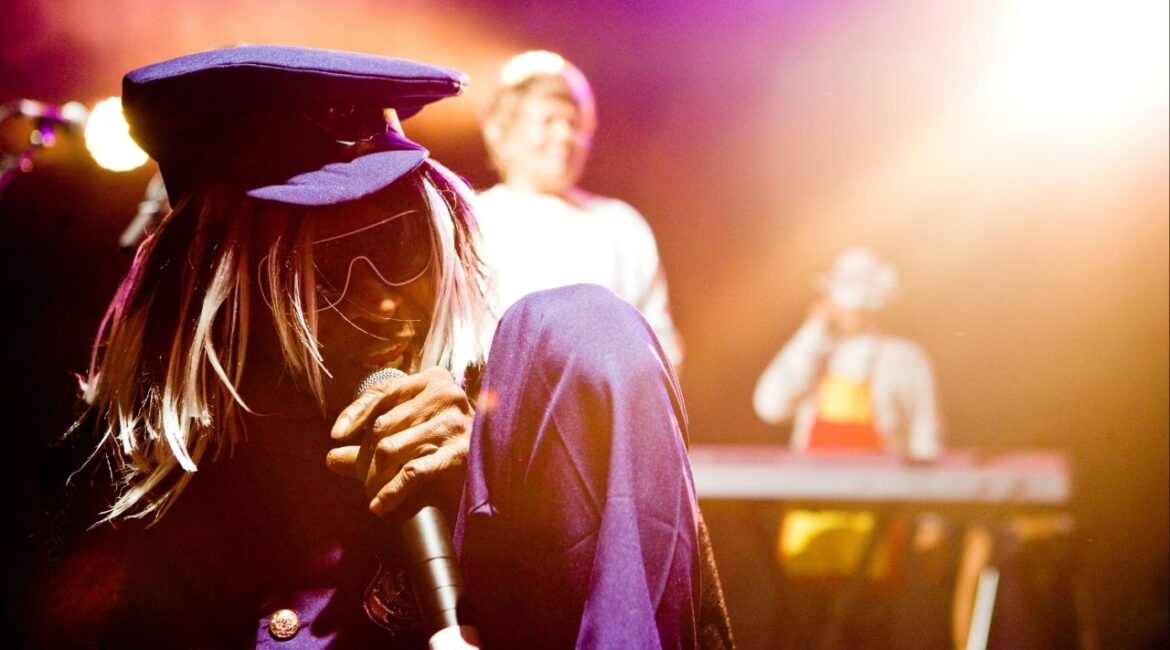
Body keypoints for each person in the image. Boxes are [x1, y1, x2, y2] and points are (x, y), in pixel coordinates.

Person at [28, 45, 732, 649]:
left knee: (582, 324)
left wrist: (490, 489)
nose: (386, 301)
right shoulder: (112, 480)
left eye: (401, 247)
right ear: (228, 280)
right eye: (330, 265)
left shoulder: (496, 413)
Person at [752, 247, 947, 648]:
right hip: (811, 531)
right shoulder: (814, 354)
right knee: (799, 633)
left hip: (877, 530)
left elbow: (928, 439)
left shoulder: (904, 359)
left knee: (867, 635)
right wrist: (812, 332)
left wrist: (933, 520)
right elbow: (769, 405)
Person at [475, 50, 684, 369]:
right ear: (501, 130)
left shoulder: (621, 226)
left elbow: (660, 345)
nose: (564, 136)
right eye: (548, 120)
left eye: (572, 123)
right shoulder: (473, 221)